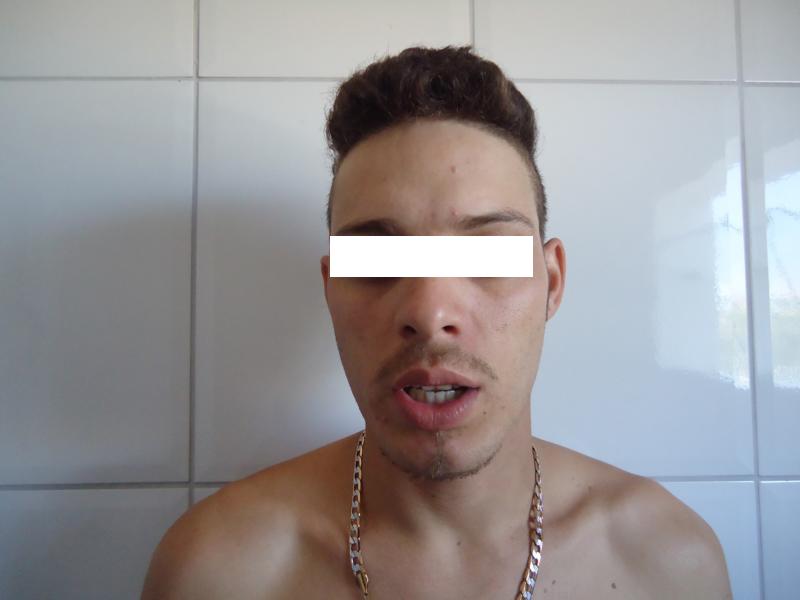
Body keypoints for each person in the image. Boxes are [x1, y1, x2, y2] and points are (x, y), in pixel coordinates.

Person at [141, 46, 732, 599]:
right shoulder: (215, 572)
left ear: (551, 282)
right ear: (330, 289)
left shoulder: (669, 565)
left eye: (488, 254)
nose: (430, 313)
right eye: (376, 261)